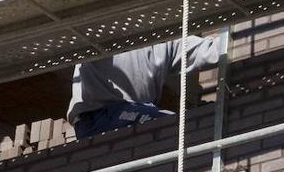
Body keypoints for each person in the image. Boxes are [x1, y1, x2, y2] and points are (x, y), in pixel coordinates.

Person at [67, 35, 221, 138]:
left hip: (131, 111)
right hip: (97, 117)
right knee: (173, 125)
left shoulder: (166, 41)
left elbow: (210, 51)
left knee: (177, 123)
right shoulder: (102, 30)